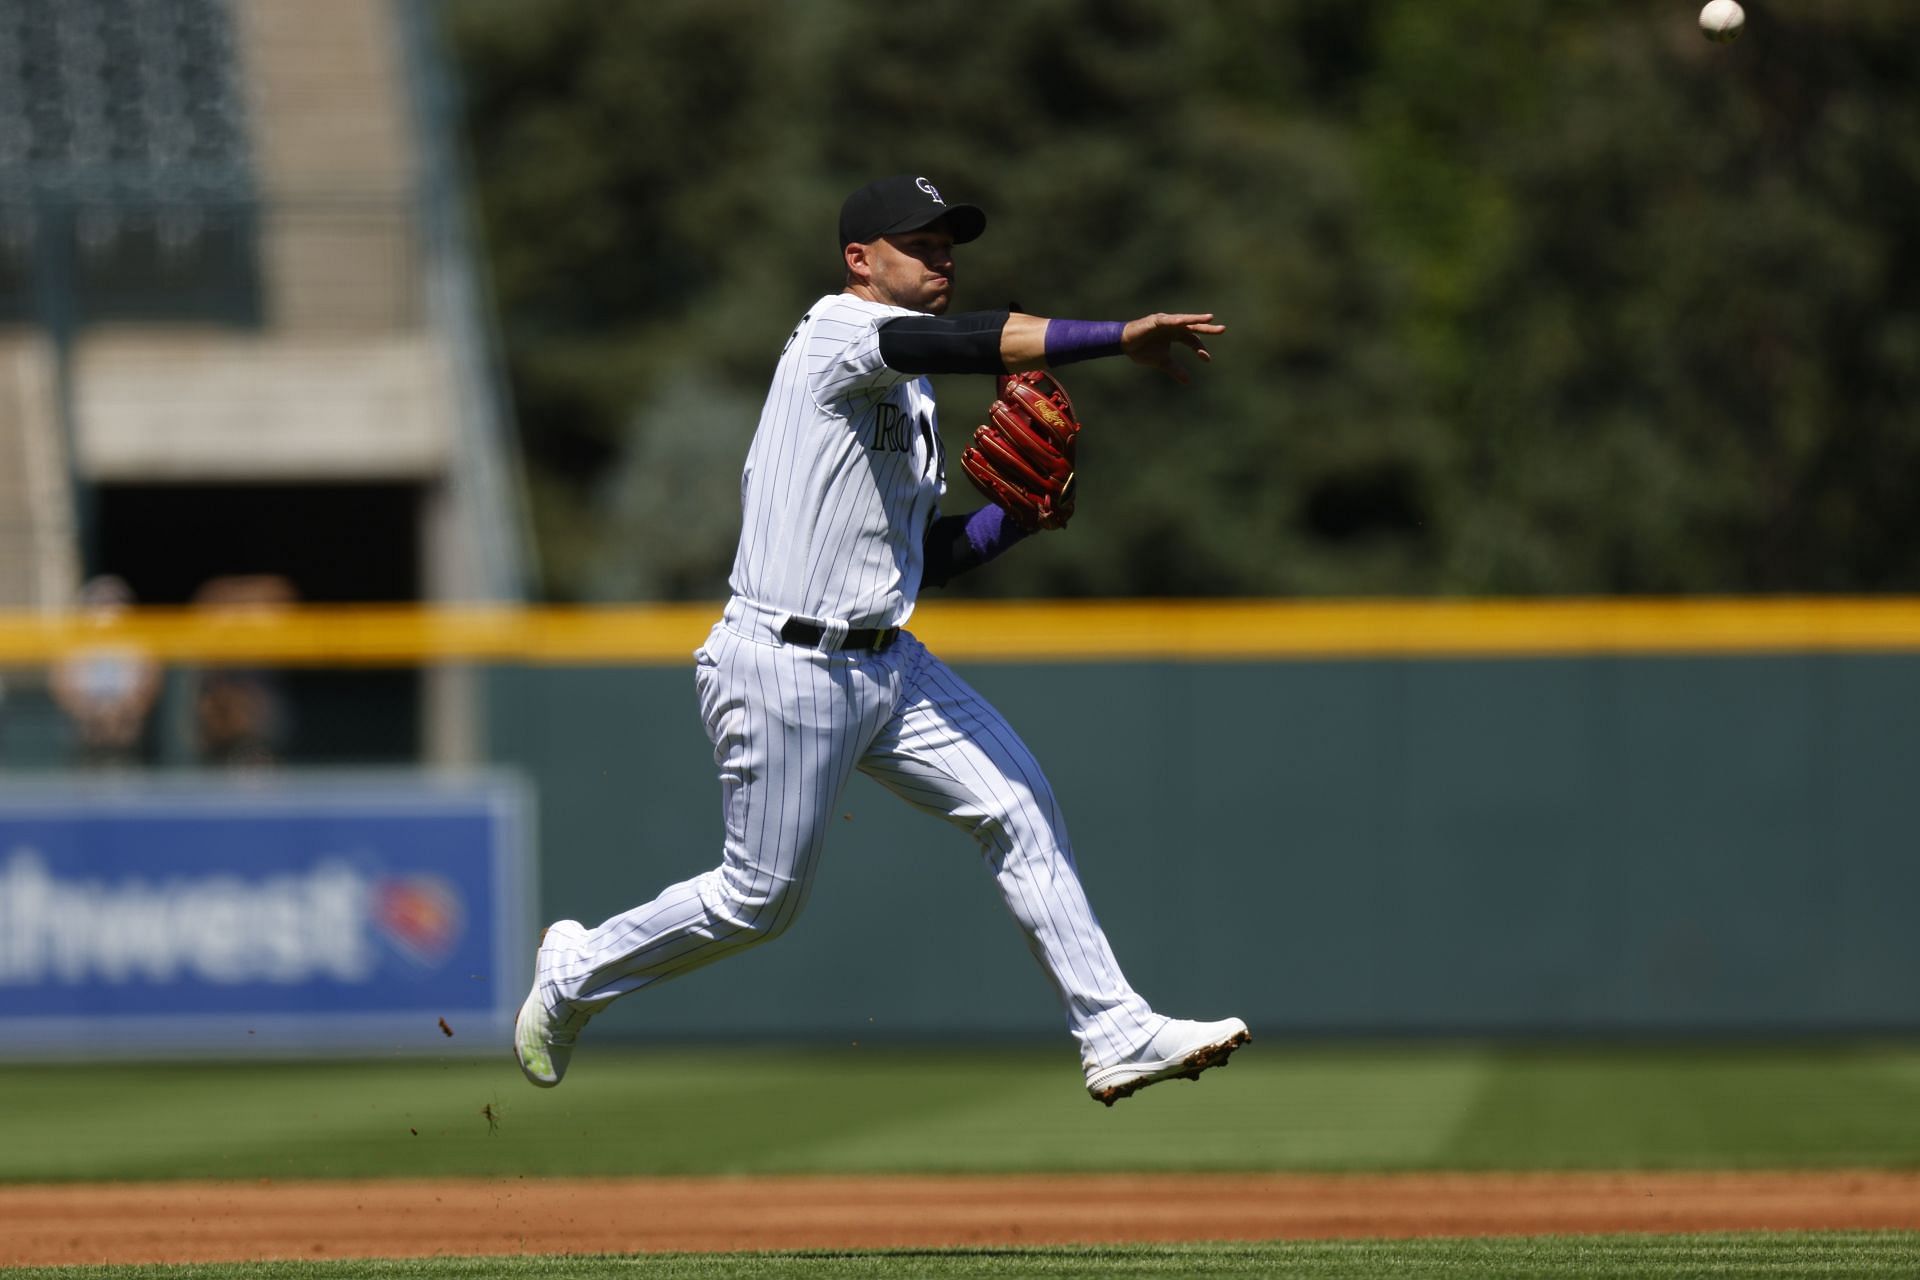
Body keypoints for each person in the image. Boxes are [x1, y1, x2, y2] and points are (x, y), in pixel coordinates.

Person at [514, 174, 1247, 1105]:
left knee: (1017, 804)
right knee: (759, 901)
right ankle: (576, 973)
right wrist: (1117, 335)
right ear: (861, 260)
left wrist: (1017, 521)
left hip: (886, 660)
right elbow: (962, 337)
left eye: (949, 243)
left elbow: (921, 559)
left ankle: (1115, 1032)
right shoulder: (838, 335)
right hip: (783, 662)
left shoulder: (912, 404)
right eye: (921, 243)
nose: (942, 257)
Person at [50, 575, 162, 769]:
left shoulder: (139, 646)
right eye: (100, 603)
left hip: (125, 717)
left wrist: (126, 711)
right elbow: (62, 687)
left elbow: (149, 687)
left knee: (122, 727)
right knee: (94, 728)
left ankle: (123, 772)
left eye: (114, 603)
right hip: (87, 718)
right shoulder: (73, 647)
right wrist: (90, 712)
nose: (107, 610)